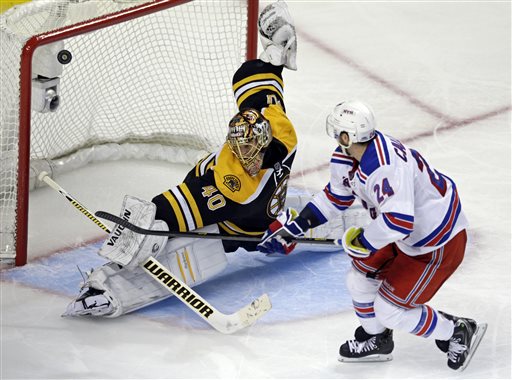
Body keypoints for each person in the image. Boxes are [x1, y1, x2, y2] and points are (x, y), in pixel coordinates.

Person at [64, 0, 300, 318]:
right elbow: (262, 96)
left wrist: (140, 232)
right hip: (260, 214)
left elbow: (214, 192)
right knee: (251, 76)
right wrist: (275, 58)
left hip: (236, 209)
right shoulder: (278, 125)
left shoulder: (234, 177)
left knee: (155, 218)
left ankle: (107, 286)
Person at [258, 100, 487, 371]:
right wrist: (297, 227)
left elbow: (400, 222)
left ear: (348, 136)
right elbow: (335, 197)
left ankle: (456, 330)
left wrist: (363, 242)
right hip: (400, 232)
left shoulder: (384, 166)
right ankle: (378, 339)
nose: (334, 135)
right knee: (358, 280)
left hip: (436, 242)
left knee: (390, 310)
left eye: (339, 131)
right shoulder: (348, 155)